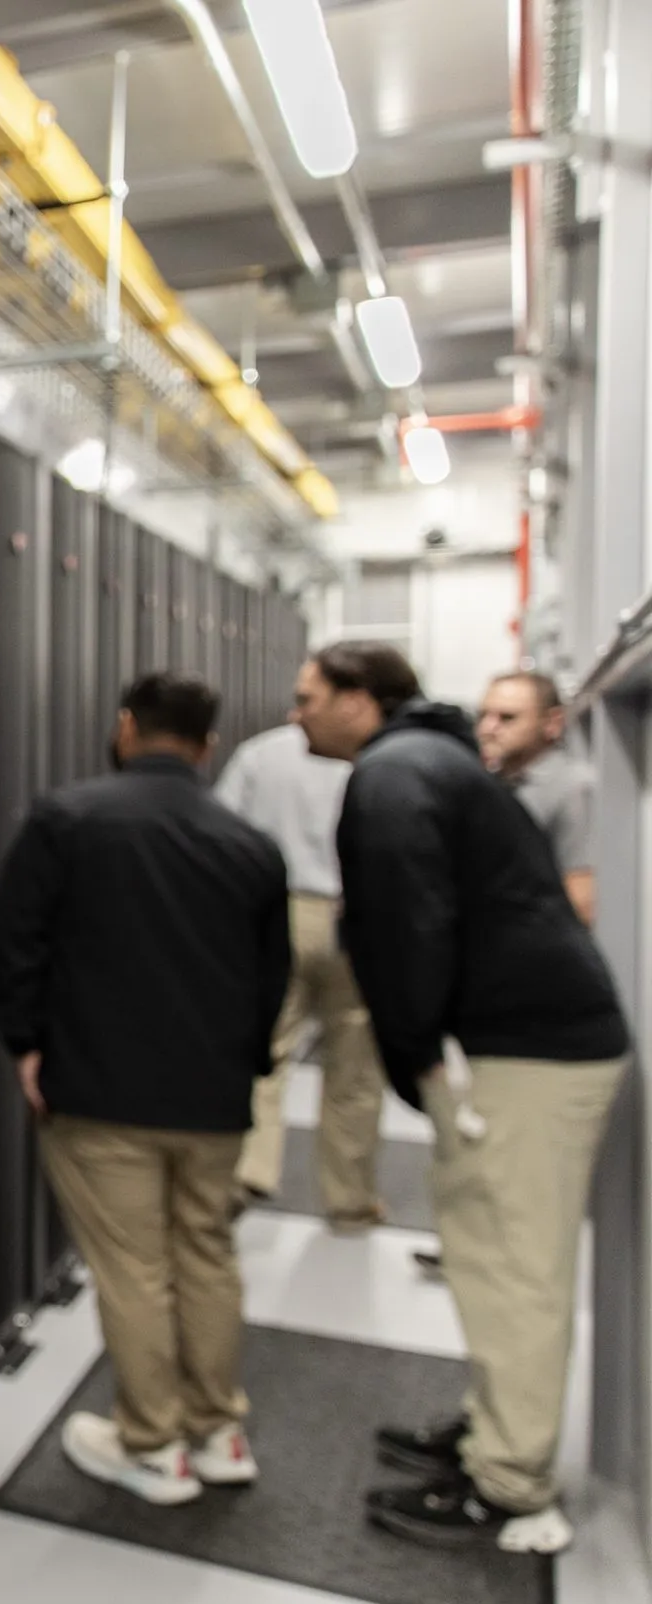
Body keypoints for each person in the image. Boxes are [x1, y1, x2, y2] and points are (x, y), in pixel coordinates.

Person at [296, 641, 630, 1554]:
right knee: (488, 1254)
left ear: (363, 702)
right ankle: (494, 1435)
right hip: (523, 1039)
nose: (298, 715)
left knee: (517, 1269)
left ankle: (512, 1487)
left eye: (310, 697)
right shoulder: (430, 761)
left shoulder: (397, 775)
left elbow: (409, 928)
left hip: (529, 1050)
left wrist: (415, 1056)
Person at [0, 672, 291, 1506]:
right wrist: (248, 1066)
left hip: (100, 1089)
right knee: (205, 1253)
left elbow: (14, 941)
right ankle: (219, 1429)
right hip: (213, 1095)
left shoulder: (67, 819)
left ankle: (151, 1443)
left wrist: (26, 1046)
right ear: (209, 745)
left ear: (126, 727)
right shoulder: (249, 844)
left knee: (133, 1268)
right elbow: (274, 982)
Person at [213, 713, 385, 1229]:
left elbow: (224, 828)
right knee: (354, 1066)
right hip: (353, 915)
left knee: (267, 1049)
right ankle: (349, 1200)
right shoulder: (371, 759)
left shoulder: (261, 753)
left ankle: (250, 1171)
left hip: (277, 909)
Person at [478, 669, 596, 925]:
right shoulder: (489, 783)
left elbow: (581, 899)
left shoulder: (573, 787)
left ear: (552, 723)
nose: (488, 728)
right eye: (483, 715)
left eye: (507, 718)